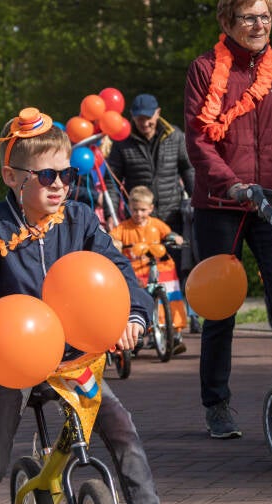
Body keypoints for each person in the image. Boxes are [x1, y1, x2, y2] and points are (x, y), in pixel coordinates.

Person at [0, 107, 172, 504]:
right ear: (11, 177)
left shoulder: (79, 219)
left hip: (74, 358)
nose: (59, 184)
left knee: (120, 426)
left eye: (66, 175)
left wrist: (134, 314)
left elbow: (115, 271)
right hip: (14, 364)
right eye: (45, 176)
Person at [184, 0, 272, 439]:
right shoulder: (205, 69)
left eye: (265, 17)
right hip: (220, 205)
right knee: (221, 309)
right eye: (249, 17)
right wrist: (231, 184)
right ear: (227, 22)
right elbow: (199, 141)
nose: (259, 25)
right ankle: (216, 404)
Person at [106, 93, 200, 334]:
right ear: (132, 118)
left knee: (179, 267)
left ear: (158, 113)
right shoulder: (122, 142)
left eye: (148, 118)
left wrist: (197, 202)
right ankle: (150, 321)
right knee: (143, 269)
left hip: (170, 215)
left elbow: (188, 169)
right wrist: (109, 213)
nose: (145, 123)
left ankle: (189, 316)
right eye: (139, 119)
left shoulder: (175, 137)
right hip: (141, 218)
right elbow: (112, 182)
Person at [110, 185, 188, 355]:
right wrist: (115, 243)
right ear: (129, 208)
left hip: (160, 267)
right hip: (136, 270)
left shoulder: (156, 224)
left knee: (171, 295)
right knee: (135, 297)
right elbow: (113, 237)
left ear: (151, 208)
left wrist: (175, 238)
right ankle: (137, 333)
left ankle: (174, 330)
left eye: (143, 210)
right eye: (135, 210)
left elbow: (168, 234)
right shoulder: (124, 227)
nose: (139, 214)